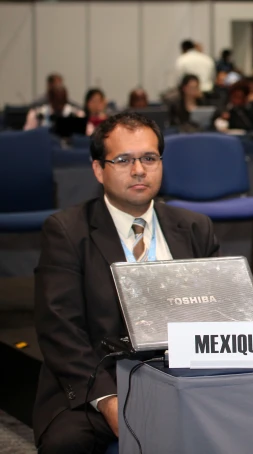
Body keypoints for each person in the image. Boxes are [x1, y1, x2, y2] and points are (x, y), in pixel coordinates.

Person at [32, 112, 219, 453]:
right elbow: (59, 329)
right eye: (123, 160)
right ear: (98, 170)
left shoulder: (195, 228)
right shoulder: (67, 232)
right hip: (98, 380)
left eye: (149, 158)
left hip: (183, 380)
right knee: (66, 444)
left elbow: (220, 313)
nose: (138, 170)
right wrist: (108, 400)